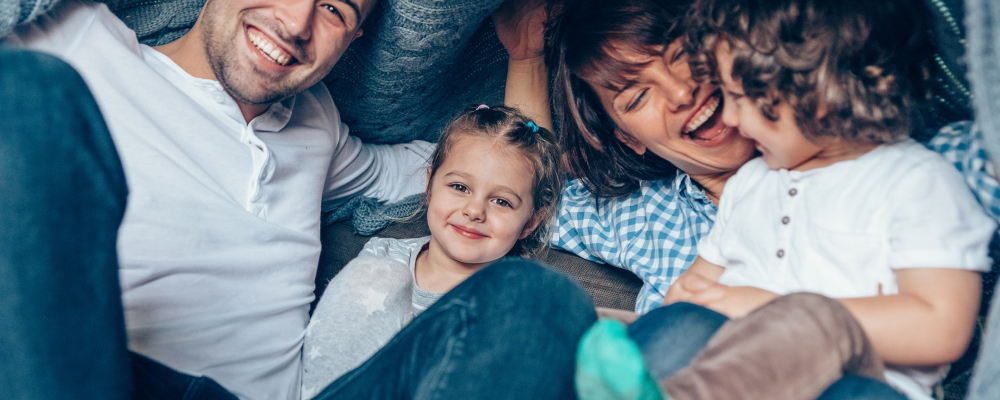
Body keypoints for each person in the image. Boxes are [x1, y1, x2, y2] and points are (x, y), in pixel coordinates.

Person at [0, 0, 596, 399]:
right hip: (99, 371)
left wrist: (525, 58)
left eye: (334, 8)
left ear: (355, 37)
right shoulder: (76, 37)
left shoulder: (318, 128)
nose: (294, 20)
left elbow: (483, 171)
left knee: (535, 299)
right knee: (32, 91)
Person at [572, 0, 996, 399]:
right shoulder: (752, 186)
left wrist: (764, 307)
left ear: (816, 91)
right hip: (717, 363)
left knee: (823, 338)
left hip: (857, 383)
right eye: (637, 96)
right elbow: (690, 294)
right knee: (656, 319)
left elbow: (941, 328)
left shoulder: (922, 178)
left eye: (737, 96)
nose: (731, 117)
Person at [301, 105, 562, 397]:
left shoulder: (515, 298)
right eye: (459, 187)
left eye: (502, 202)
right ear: (428, 187)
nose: (474, 211)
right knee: (373, 277)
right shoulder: (383, 256)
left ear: (530, 222)